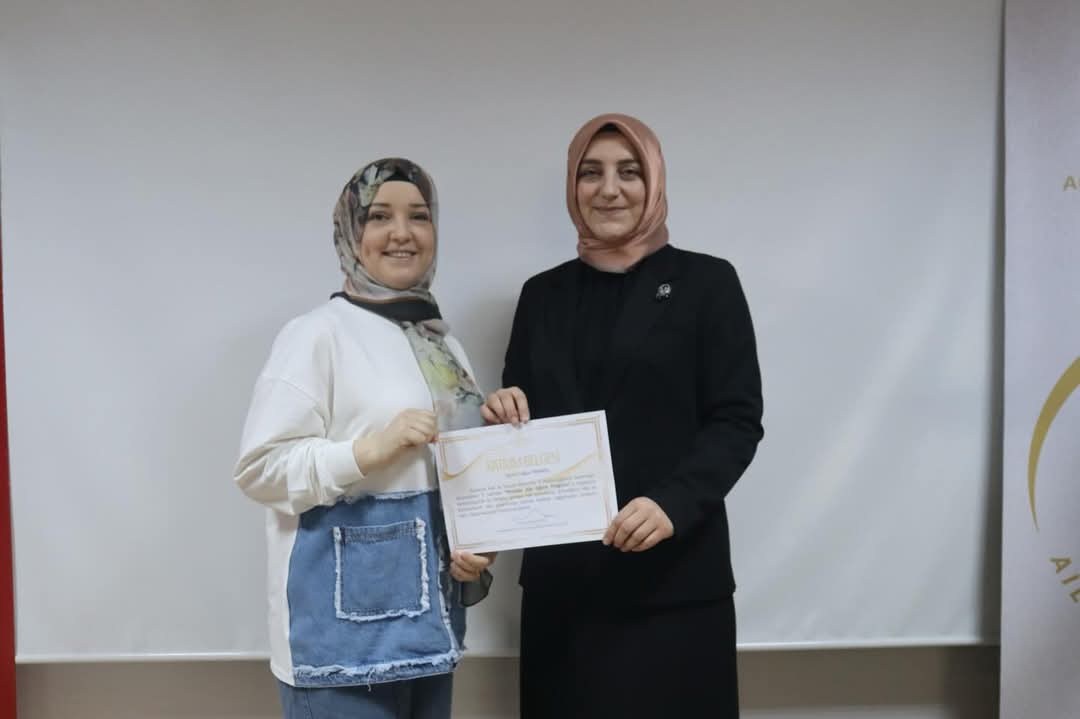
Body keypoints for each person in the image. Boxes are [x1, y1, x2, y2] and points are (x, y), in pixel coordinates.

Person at [482, 114, 764, 718]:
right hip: (564, 593)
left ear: (654, 181)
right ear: (573, 186)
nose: (609, 189)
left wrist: (672, 504)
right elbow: (525, 419)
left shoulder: (708, 283)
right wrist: (505, 411)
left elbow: (737, 419)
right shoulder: (542, 295)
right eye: (591, 173)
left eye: (629, 172)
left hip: (675, 585)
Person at [234, 158, 493, 719]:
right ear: (351, 232)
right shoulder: (316, 335)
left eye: (419, 216)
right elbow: (259, 470)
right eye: (379, 216)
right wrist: (366, 451)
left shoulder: (442, 344)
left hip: (430, 637)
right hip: (339, 651)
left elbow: (455, 476)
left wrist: (477, 542)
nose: (402, 232)